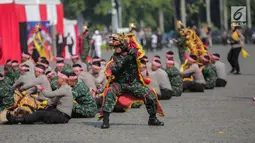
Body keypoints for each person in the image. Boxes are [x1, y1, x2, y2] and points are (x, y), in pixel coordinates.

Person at [99, 33, 164, 129]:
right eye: (115, 46)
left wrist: (127, 49)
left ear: (123, 46)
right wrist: (125, 59)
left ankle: (152, 119)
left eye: (118, 46)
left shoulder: (132, 53)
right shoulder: (114, 58)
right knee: (109, 92)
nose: (116, 48)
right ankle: (105, 121)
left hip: (133, 83)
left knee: (150, 96)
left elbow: (136, 52)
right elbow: (115, 69)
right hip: (119, 84)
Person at [6, 71, 73, 124]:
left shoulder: (65, 89)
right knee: (40, 110)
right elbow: (54, 101)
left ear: (63, 80)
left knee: (40, 114)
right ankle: (22, 118)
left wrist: (41, 88)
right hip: (60, 113)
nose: (57, 80)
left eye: (58, 78)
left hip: (63, 117)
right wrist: (43, 104)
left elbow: (49, 94)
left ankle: (16, 120)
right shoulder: (64, 88)